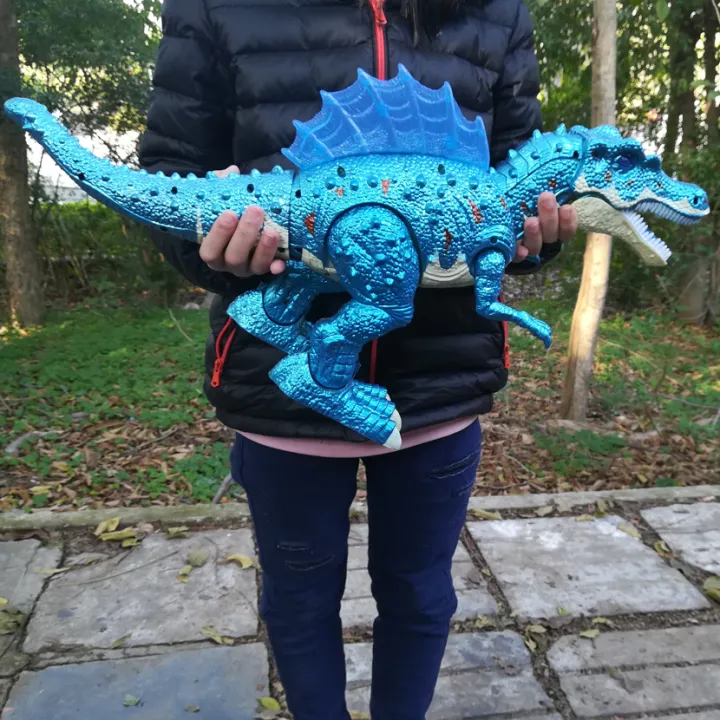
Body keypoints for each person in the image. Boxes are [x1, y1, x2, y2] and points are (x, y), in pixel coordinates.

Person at [139, 1, 577, 717]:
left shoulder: (498, 12)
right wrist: (213, 250)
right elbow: (173, 166)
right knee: (299, 596)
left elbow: (519, 177)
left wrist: (537, 238)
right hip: (278, 400)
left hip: (441, 385)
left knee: (420, 591)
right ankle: (315, 364)